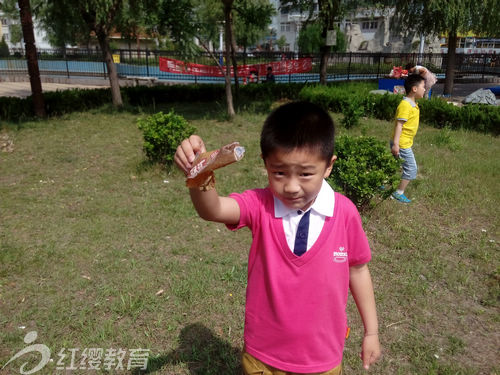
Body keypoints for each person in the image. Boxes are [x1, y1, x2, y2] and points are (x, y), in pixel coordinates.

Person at [175, 101, 381, 374]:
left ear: (328, 166)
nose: (292, 187)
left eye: (306, 174)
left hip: (323, 359)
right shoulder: (260, 205)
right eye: (279, 172)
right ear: (265, 163)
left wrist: (371, 332)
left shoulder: (344, 213)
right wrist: (199, 172)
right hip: (263, 358)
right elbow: (212, 210)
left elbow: (358, 270)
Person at [391, 74, 426, 203]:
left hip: (404, 143)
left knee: (394, 165)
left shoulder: (412, 104)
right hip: (402, 144)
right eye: (423, 86)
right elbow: (399, 125)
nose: (425, 89)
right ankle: (398, 193)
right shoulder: (406, 105)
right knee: (411, 168)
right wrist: (396, 144)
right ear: (414, 89)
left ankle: (380, 182)